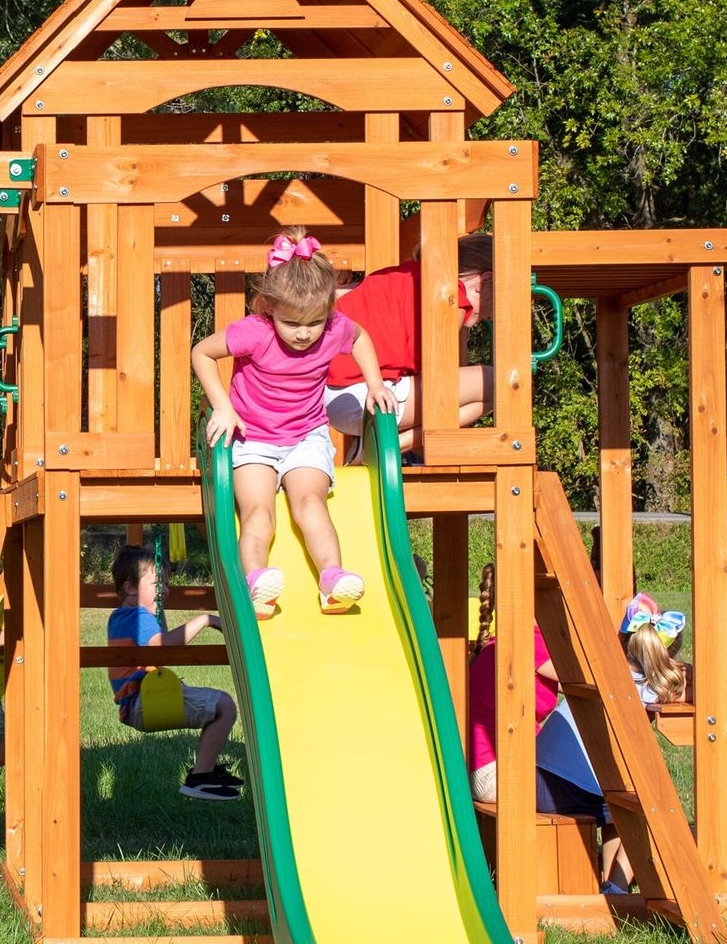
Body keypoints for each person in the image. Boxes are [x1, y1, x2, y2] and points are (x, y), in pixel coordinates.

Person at [191, 229, 391, 616]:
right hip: (252, 438)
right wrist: (223, 406)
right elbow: (202, 352)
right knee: (257, 511)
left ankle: (332, 580)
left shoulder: (334, 329)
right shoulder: (256, 331)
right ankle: (255, 584)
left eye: (314, 322)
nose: (303, 333)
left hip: (305, 436)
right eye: (292, 323)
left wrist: (375, 383)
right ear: (268, 307)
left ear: (329, 312)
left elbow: (361, 337)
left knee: (312, 503)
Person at [467, 566, 636, 891]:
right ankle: (615, 886)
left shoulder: (505, 640)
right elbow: (587, 677)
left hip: (482, 768)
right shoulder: (530, 641)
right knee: (614, 798)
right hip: (494, 774)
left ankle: (614, 884)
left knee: (601, 791)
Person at [617, 592, 727, 898]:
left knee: (647, 809)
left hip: (568, 772)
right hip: (600, 776)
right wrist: (687, 676)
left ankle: (615, 884)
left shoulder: (617, 673)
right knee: (659, 815)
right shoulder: (654, 688)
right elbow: (703, 691)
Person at [324, 232, 494, 456]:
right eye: (500, 301)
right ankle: (386, 446)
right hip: (365, 397)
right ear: (485, 282)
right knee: (496, 383)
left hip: (328, 392)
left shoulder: (407, 274)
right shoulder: (451, 298)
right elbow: (438, 387)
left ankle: (376, 445)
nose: (491, 317)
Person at [106, 545, 241, 801]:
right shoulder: (137, 617)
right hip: (144, 703)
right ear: (130, 588)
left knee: (221, 705)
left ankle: (205, 772)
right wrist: (206, 620)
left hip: (137, 703)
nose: (164, 590)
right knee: (225, 706)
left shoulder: (121, 616)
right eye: (157, 584)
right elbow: (162, 645)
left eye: (166, 584)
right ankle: (201, 777)